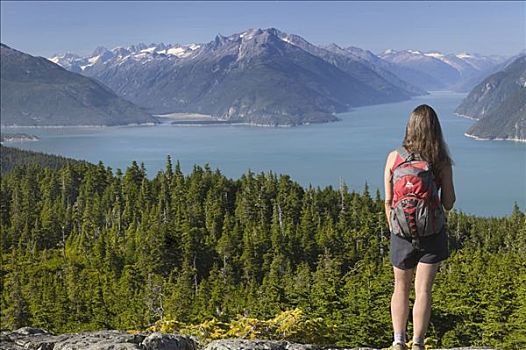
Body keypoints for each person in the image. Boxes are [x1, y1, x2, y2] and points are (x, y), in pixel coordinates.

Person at [383, 104, 456, 350]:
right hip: (431, 232)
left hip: (401, 232)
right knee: (423, 289)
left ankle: (398, 341)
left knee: (400, 287)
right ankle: (418, 344)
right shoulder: (441, 160)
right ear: (435, 128)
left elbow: (388, 200)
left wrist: (395, 226)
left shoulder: (395, 157)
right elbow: (449, 203)